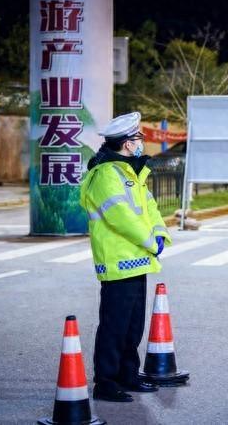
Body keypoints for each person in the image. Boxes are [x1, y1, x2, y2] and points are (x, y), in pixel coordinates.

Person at [79, 111, 172, 402]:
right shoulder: (106, 173)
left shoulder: (131, 171)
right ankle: (106, 382)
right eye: (138, 139)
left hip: (137, 259)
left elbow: (149, 207)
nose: (141, 143)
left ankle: (128, 375)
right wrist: (148, 240)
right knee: (114, 326)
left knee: (132, 325)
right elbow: (120, 216)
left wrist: (159, 234)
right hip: (118, 260)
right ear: (127, 143)